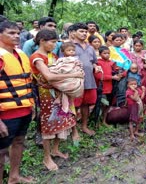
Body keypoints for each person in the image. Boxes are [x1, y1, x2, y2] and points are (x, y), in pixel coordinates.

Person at [30, 29, 83, 171]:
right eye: (53, 42)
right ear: (42, 41)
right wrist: (73, 75)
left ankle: (55, 149)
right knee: (48, 124)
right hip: (46, 96)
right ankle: (46, 158)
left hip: (58, 93)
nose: (55, 45)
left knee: (61, 121)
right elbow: (49, 77)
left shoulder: (52, 55)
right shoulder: (37, 57)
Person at [0, 21, 34, 184]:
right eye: (11, 33)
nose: (16, 36)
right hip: (5, 112)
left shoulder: (21, 54)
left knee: (19, 141)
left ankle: (14, 177)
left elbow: (28, 81)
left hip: (24, 109)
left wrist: (31, 105)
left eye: (17, 33)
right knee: (1, 151)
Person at [69, 23, 101, 136]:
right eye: (81, 31)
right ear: (74, 33)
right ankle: (73, 130)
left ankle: (84, 126)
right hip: (75, 81)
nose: (84, 33)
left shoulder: (90, 47)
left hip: (89, 79)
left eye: (85, 32)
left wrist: (96, 67)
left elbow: (93, 62)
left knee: (86, 104)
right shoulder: (69, 46)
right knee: (74, 104)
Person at [94, 46, 120, 126]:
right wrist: (112, 77)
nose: (107, 55)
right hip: (101, 88)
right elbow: (99, 76)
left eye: (108, 53)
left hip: (110, 87)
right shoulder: (98, 63)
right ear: (100, 54)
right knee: (101, 104)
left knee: (107, 105)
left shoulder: (111, 63)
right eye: (104, 53)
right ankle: (96, 122)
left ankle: (104, 121)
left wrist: (119, 73)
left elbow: (118, 71)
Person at [109, 33, 132, 107]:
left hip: (123, 71)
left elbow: (128, 61)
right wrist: (114, 66)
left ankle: (120, 107)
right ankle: (110, 107)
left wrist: (125, 70)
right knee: (112, 89)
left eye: (120, 40)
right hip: (112, 71)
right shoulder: (109, 49)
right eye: (116, 40)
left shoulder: (124, 50)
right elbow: (108, 60)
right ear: (112, 41)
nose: (118, 41)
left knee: (121, 89)